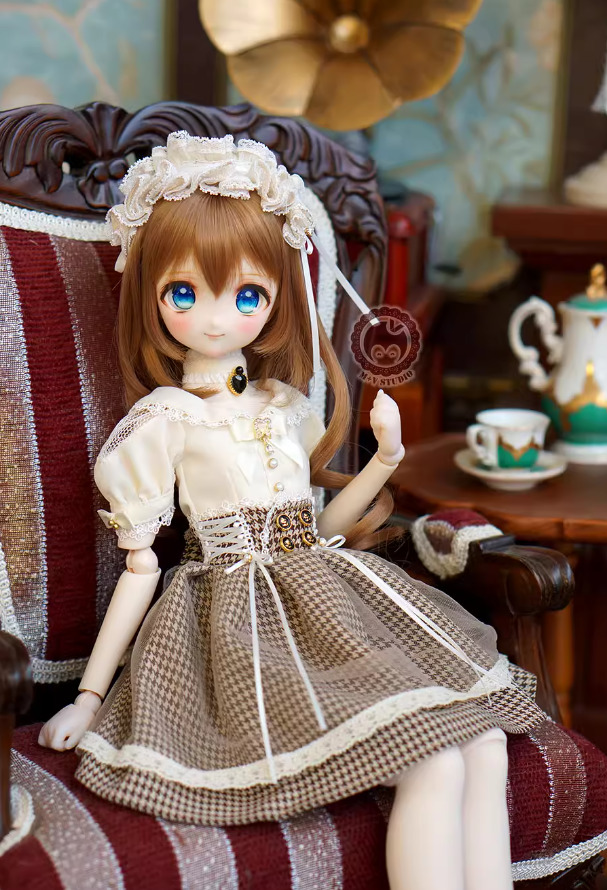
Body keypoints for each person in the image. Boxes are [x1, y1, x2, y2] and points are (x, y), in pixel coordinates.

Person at [39, 133, 548, 890]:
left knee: (483, 743)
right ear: (149, 293)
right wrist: (89, 697)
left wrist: (384, 458)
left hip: (329, 602)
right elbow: (140, 569)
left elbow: (321, 528)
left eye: (247, 296)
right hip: (236, 624)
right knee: (436, 759)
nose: (217, 319)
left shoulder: (282, 405)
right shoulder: (163, 422)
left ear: (278, 296)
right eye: (185, 293)